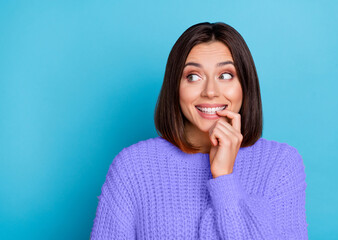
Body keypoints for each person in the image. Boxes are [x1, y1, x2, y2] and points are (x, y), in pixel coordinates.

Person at [90, 22, 308, 239]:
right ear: (175, 87)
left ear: (245, 85)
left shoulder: (280, 164)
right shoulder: (132, 167)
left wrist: (224, 178)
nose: (210, 92)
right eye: (193, 76)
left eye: (225, 75)